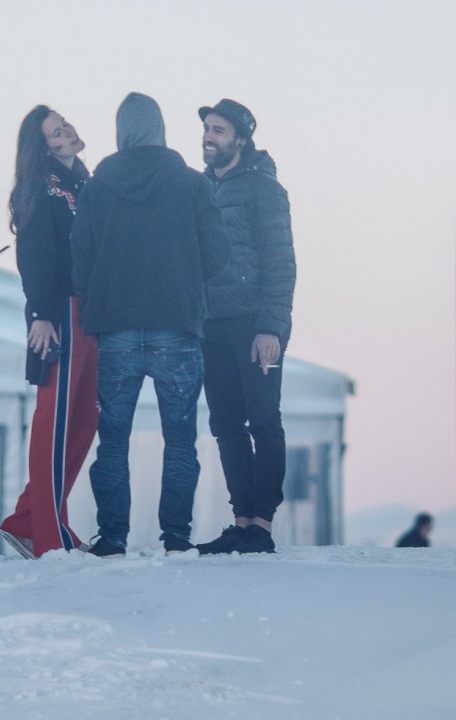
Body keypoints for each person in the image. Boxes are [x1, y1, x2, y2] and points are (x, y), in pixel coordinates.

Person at [70, 92, 230, 558]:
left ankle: (113, 536)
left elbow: (80, 265)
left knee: (113, 439)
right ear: (160, 129)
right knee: (180, 438)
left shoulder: (97, 189)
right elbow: (219, 256)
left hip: (116, 331)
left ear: (121, 131)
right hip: (177, 329)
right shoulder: (191, 184)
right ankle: (176, 537)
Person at [193, 99, 296, 556]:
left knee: (265, 421)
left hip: (255, 325)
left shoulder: (264, 189)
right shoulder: (199, 190)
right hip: (210, 326)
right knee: (226, 424)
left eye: (218, 130)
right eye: (207, 129)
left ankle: (262, 524)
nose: (208, 137)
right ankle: (240, 521)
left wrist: (271, 326)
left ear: (239, 138)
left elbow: (281, 263)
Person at [0, 106, 98, 559]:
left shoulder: (85, 182)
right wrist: (41, 312)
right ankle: (46, 533)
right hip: (59, 311)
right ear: (45, 147)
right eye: (57, 133)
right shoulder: (42, 187)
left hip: (93, 312)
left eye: (66, 124)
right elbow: (34, 253)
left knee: (83, 420)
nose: (68, 132)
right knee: (55, 418)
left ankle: (28, 520)